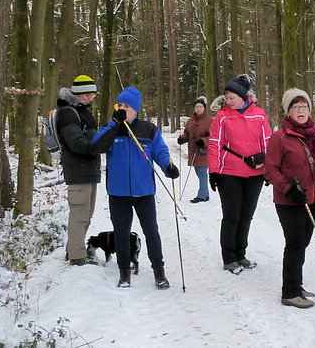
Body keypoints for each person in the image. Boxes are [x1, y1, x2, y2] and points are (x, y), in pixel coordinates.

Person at [92, 87, 180, 289]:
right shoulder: (112, 128)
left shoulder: (148, 129)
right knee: (121, 232)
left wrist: (169, 168)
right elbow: (96, 146)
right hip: (118, 192)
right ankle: (124, 272)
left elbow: (161, 152)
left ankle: (159, 271)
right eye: (119, 105)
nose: (122, 109)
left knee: (151, 231)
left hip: (144, 191)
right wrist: (114, 124)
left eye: (126, 106)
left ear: (135, 109)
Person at [264, 88, 315, 309]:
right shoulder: (280, 137)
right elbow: (270, 170)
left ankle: (296, 284)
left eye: (304, 106)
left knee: (303, 243)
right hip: (289, 200)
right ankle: (289, 292)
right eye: (296, 107)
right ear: (288, 112)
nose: (301, 110)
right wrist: (288, 189)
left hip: (311, 199)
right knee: (295, 244)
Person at [208, 75, 272, 274]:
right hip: (229, 173)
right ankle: (229, 258)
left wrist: (269, 169)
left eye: (232, 97)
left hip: (255, 173)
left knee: (246, 216)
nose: (228, 101)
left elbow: (268, 142)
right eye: (226, 97)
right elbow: (214, 145)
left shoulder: (259, 115)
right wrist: (214, 171)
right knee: (232, 216)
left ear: (243, 96)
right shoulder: (222, 116)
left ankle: (241, 254)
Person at [56, 75, 102, 266]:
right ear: (78, 94)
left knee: (86, 214)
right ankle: (76, 256)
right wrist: (98, 142)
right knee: (80, 215)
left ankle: (74, 249)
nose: (91, 98)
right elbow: (76, 143)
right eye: (88, 94)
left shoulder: (83, 112)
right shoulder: (68, 113)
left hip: (88, 170)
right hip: (78, 171)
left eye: (93, 94)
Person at [177, 96, 213, 203]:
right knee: (198, 172)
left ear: (204, 108)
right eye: (196, 106)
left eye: (200, 106)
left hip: (203, 151)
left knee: (202, 172)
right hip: (193, 151)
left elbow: (213, 137)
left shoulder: (209, 121)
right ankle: (205, 194)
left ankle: (202, 195)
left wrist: (203, 141)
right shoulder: (190, 121)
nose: (198, 109)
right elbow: (186, 133)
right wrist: (182, 139)